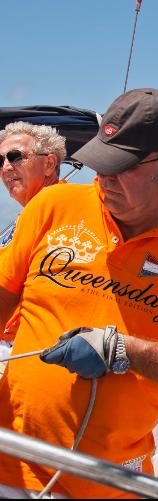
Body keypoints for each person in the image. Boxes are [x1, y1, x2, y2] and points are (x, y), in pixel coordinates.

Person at [0, 88, 158, 498]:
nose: (104, 177)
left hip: (111, 481)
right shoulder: (53, 204)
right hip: (12, 464)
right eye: (101, 161)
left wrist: (124, 351)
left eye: (121, 166)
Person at [0, 122, 66, 360]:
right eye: (1, 161)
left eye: (16, 157)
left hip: (33, 349)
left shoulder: (65, 211)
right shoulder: (30, 214)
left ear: (49, 164)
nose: (6, 167)